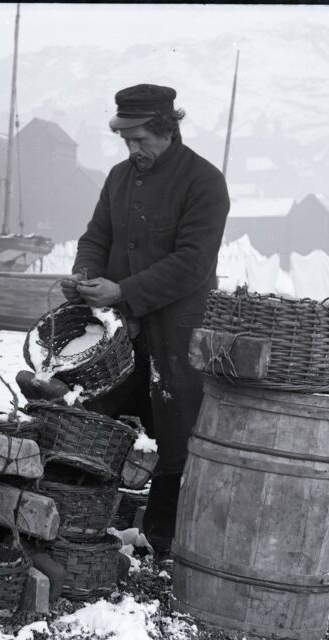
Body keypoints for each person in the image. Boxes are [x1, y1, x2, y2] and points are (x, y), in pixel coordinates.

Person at [61, 83, 230, 561]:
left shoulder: (204, 182)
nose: (133, 150)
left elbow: (193, 263)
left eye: (141, 140)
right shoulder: (118, 177)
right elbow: (96, 236)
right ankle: (75, 519)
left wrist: (126, 291)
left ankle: (164, 541)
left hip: (177, 333)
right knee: (90, 417)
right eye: (126, 140)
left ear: (167, 129)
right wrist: (86, 275)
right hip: (118, 334)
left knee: (178, 435)